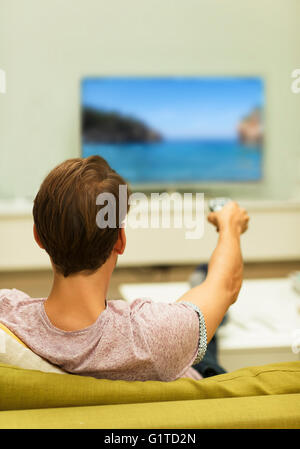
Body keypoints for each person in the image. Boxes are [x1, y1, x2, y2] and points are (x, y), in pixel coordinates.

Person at [0, 156, 249, 381]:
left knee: (199, 316)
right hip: (190, 372)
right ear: (120, 241)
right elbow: (226, 285)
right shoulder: (152, 335)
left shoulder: (8, 318)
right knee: (205, 324)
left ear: (38, 237)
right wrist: (230, 226)